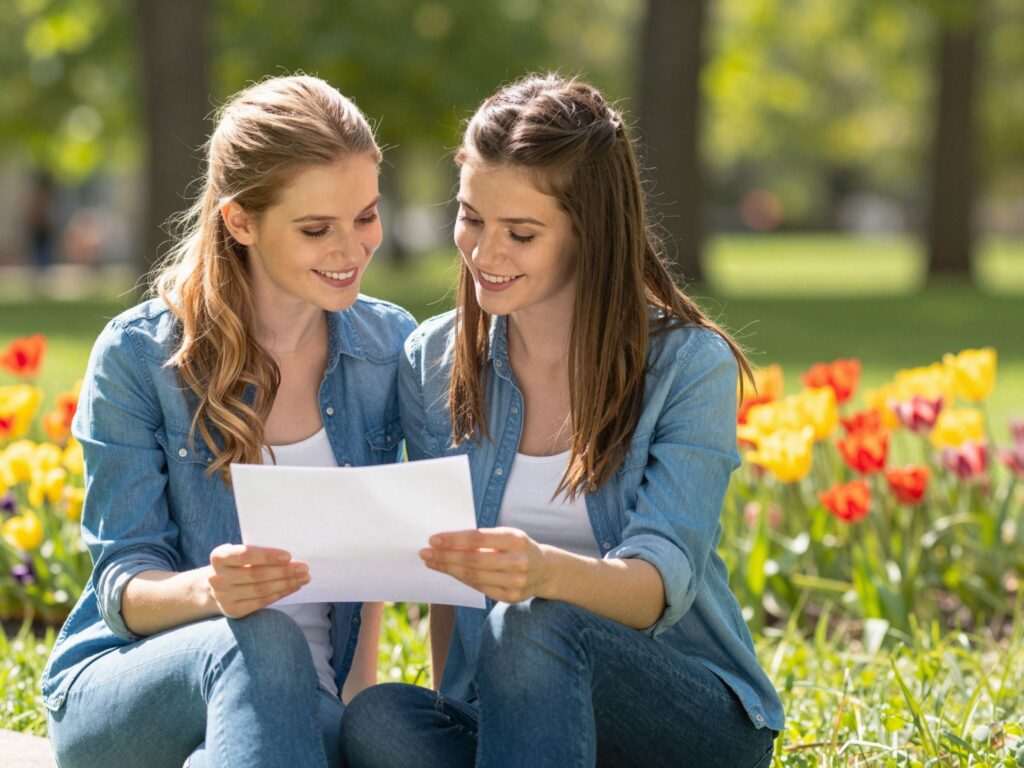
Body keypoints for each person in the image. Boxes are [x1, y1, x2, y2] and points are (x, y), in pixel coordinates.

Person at [340, 74, 784, 768]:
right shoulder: (434, 359)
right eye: (471, 218)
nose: (485, 253)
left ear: (591, 232)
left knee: (533, 619)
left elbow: (653, 588)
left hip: (682, 714)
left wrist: (542, 571)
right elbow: (450, 585)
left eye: (521, 232)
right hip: (514, 711)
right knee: (379, 723)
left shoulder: (688, 367)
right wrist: (453, 701)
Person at [40, 75, 415, 768]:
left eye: (365, 216)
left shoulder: (389, 349)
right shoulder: (140, 357)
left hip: (309, 705)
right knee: (262, 635)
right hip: (138, 686)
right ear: (240, 220)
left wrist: (358, 711)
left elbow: (384, 555)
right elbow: (125, 584)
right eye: (315, 229)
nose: (354, 248)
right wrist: (212, 590)